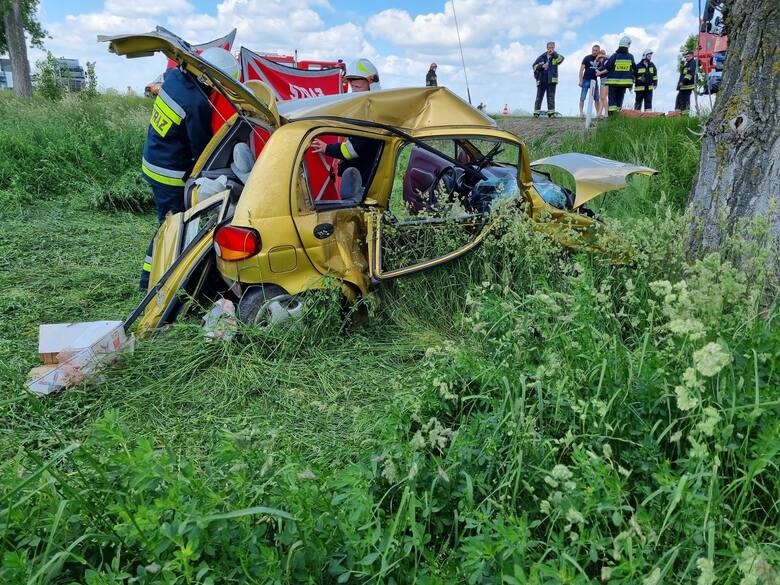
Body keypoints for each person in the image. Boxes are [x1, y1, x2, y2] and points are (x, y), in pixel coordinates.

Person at [139, 47, 239, 290]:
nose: (220, 90)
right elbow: (202, 148)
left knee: (168, 222)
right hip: (169, 174)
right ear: (210, 77)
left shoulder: (174, 79)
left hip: (153, 160)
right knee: (171, 226)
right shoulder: (196, 103)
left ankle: (158, 277)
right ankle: (153, 283)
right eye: (221, 84)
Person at [310, 58, 382, 196]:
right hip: (355, 178)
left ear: (371, 83)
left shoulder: (372, 112)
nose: (354, 91)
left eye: (358, 87)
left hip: (360, 183)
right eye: (353, 87)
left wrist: (327, 148)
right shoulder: (364, 107)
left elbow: (355, 148)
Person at [604, 36, 636, 116]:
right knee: (620, 99)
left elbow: (607, 66)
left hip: (613, 83)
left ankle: (611, 116)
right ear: (628, 46)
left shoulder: (615, 56)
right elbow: (635, 68)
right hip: (624, 84)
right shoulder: (630, 57)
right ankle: (617, 115)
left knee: (612, 100)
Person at [532, 41, 564, 117]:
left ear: (554, 48)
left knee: (551, 97)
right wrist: (541, 66)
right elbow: (534, 66)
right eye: (549, 47)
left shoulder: (556, 56)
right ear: (547, 48)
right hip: (541, 80)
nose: (550, 49)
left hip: (551, 81)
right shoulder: (542, 57)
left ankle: (551, 114)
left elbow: (561, 60)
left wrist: (554, 54)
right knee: (539, 97)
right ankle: (536, 113)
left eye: (552, 47)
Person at [578, 44, 601, 117]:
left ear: (598, 51)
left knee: (596, 98)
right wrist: (580, 80)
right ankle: (581, 113)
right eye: (593, 50)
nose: (594, 52)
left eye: (596, 50)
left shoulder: (600, 59)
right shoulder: (587, 58)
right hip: (586, 80)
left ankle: (598, 114)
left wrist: (602, 56)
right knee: (582, 97)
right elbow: (581, 70)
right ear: (592, 50)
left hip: (594, 81)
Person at [596, 49, 609, 117]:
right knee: (601, 97)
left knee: (604, 97)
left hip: (606, 79)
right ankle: (599, 113)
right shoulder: (601, 63)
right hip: (602, 79)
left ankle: (606, 113)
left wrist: (600, 73)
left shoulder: (606, 61)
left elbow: (608, 69)